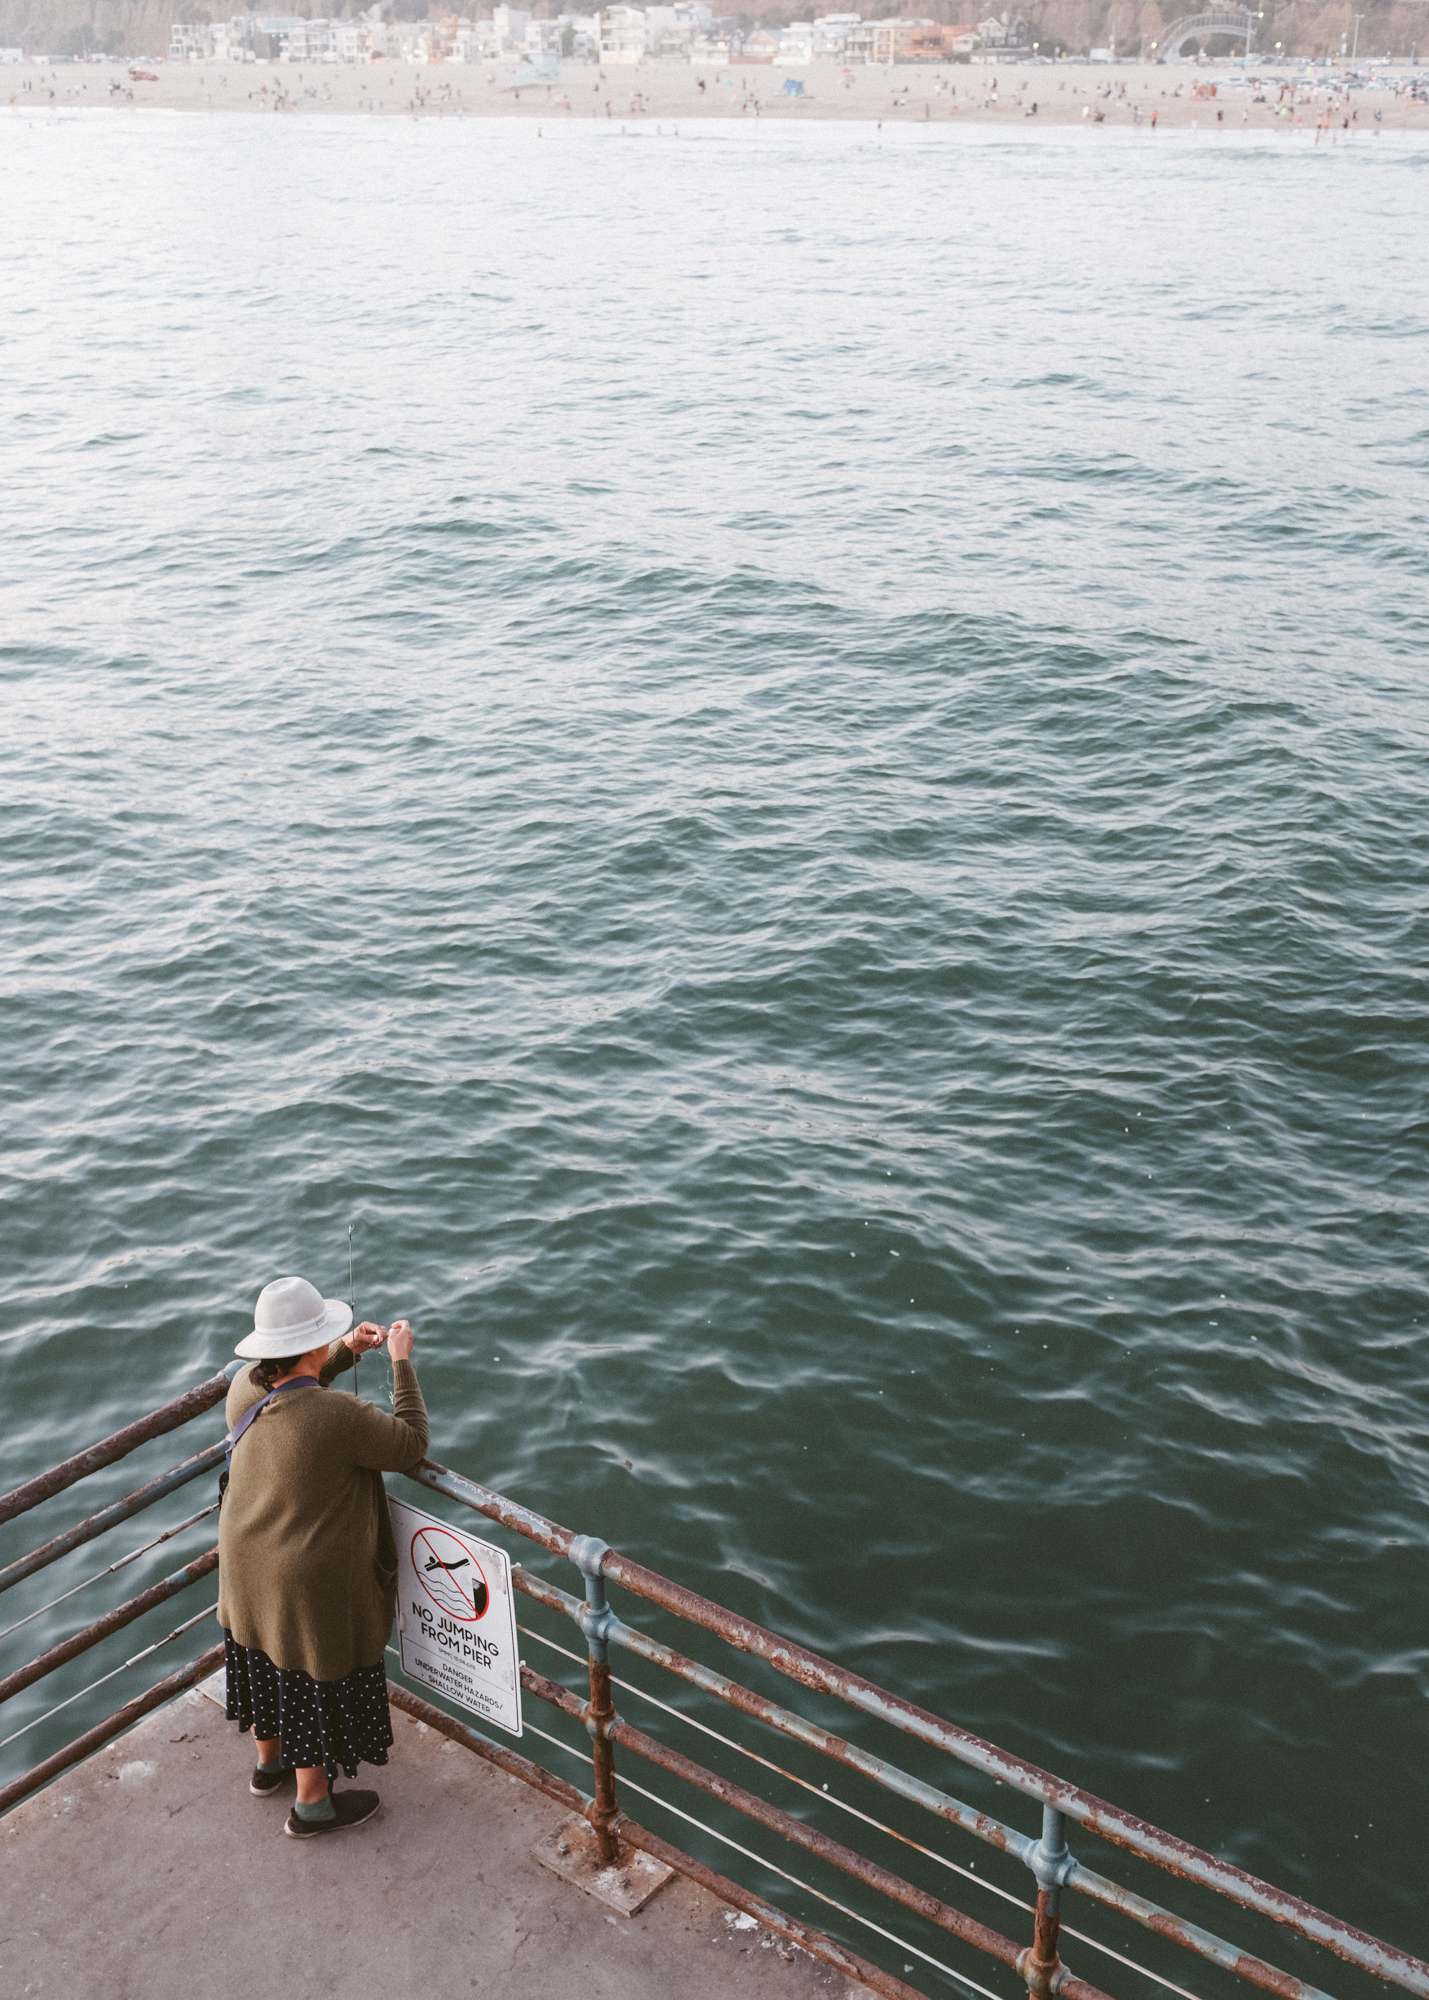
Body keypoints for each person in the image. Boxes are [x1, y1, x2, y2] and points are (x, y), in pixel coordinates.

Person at [217, 1275, 429, 1838]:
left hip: (242, 1557)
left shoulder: (242, 1387)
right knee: (308, 1675)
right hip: (300, 1577)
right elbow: (410, 1444)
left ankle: (269, 1766)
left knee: (262, 1655)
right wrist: (400, 1364)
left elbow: (291, 1387)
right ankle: (312, 1806)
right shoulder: (337, 1417)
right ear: (311, 1345)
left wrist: (344, 1351)